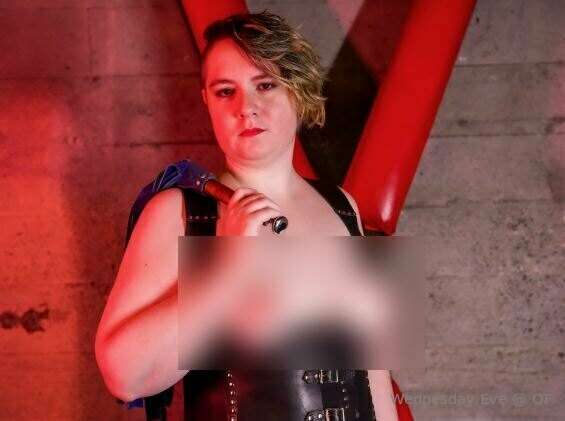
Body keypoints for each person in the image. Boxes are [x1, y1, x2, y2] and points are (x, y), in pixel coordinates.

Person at [95, 10, 399, 420]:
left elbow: (373, 368)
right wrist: (229, 263)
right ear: (206, 100)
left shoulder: (342, 206)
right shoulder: (183, 214)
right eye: (226, 91)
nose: (246, 108)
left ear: (296, 88)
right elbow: (124, 377)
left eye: (265, 84)